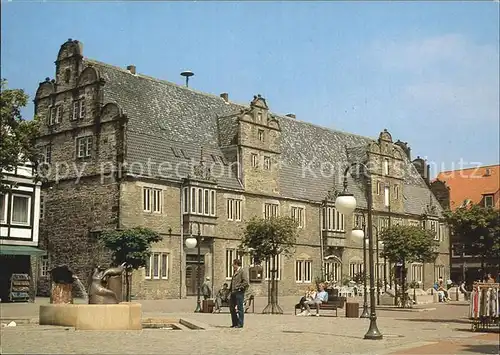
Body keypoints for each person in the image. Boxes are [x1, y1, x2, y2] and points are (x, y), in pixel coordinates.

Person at [229, 259, 249, 328]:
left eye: (233, 264)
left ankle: (240, 324)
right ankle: (235, 323)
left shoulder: (242, 271)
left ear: (236, 264)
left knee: (240, 308)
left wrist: (238, 286)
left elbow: (246, 282)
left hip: (239, 292)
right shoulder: (235, 271)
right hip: (233, 292)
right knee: (231, 308)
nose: (232, 266)